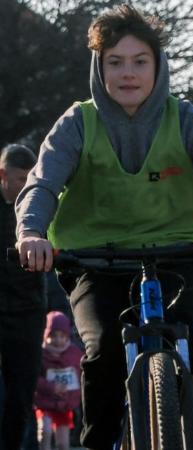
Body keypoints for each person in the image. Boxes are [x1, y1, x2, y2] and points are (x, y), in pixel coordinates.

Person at [14, 5, 193, 449]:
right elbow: (42, 182)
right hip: (94, 259)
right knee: (103, 350)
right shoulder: (77, 123)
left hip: (178, 255)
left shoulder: (184, 119)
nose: (128, 73)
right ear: (99, 67)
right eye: (115, 62)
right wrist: (31, 233)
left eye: (140, 61)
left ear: (158, 67)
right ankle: (97, 442)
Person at [0, 143, 46, 450]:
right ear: (2, 175)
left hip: (27, 313)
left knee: (21, 397)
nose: (25, 186)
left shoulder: (39, 209)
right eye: (19, 179)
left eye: (31, 179)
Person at [34, 311, 83, 450]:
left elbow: (81, 374)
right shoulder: (40, 354)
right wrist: (52, 387)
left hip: (64, 405)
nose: (58, 340)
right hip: (45, 404)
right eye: (53, 336)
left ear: (68, 336)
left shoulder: (74, 353)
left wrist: (73, 398)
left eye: (62, 336)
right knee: (45, 433)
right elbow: (34, 379)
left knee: (63, 443)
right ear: (46, 335)